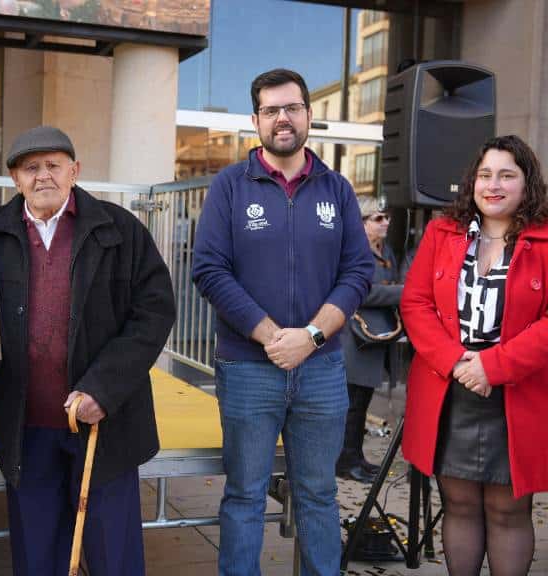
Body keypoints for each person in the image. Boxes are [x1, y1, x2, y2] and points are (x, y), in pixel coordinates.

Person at [0, 126, 175, 576]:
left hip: (104, 427)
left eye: (54, 165)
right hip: (26, 427)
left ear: (74, 171)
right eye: (30, 167)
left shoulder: (119, 230)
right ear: (15, 179)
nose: (43, 176)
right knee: (38, 557)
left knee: (112, 555)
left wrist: (104, 388)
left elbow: (154, 313)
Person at [192, 68, 374, 576]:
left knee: (318, 495)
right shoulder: (230, 185)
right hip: (249, 369)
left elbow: (358, 270)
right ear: (255, 120)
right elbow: (208, 269)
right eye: (271, 110)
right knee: (245, 495)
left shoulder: (336, 189)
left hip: (321, 371)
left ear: (309, 115)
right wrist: (272, 336)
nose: (283, 119)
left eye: (292, 107)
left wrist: (311, 336)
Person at [401, 135, 548, 576]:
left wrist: (493, 367)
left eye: (507, 175)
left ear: (527, 184)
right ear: (472, 182)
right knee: (459, 505)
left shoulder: (544, 240)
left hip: (517, 392)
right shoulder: (442, 232)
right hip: (451, 388)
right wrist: (458, 363)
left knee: (508, 512)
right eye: (485, 174)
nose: (493, 185)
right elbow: (415, 303)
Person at [337, 196, 403, 483]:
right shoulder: (353, 251)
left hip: (376, 338)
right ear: (361, 223)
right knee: (351, 406)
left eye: (386, 216)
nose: (386, 221)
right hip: (355, 338)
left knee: (361, 404)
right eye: (378, 218)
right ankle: (343, 461)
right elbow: (363, 292)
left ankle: (356, 457)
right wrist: (404, 291)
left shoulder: (386, 250)